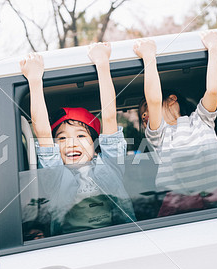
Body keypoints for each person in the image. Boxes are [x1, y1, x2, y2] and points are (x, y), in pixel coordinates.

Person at [20, 43, 136, 237]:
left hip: (119, 241)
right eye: (62, 138)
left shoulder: (111, 165)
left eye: (81, 136)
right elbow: (41, 131)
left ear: (96, 145)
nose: (72, 143)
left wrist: (102, 64)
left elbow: (108, 116)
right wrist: (34, 80)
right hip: (72, 248)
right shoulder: (55, 175)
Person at [133, 31, 217, 216]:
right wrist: (149, 58)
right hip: (176, 205)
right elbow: (153, 100)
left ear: (171, 100)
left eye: (145, 108)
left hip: (215, 198)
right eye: (142, 114)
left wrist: (214, 47)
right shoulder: (159, 135)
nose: (145, 114)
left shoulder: (202, 120)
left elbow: (213, 90)